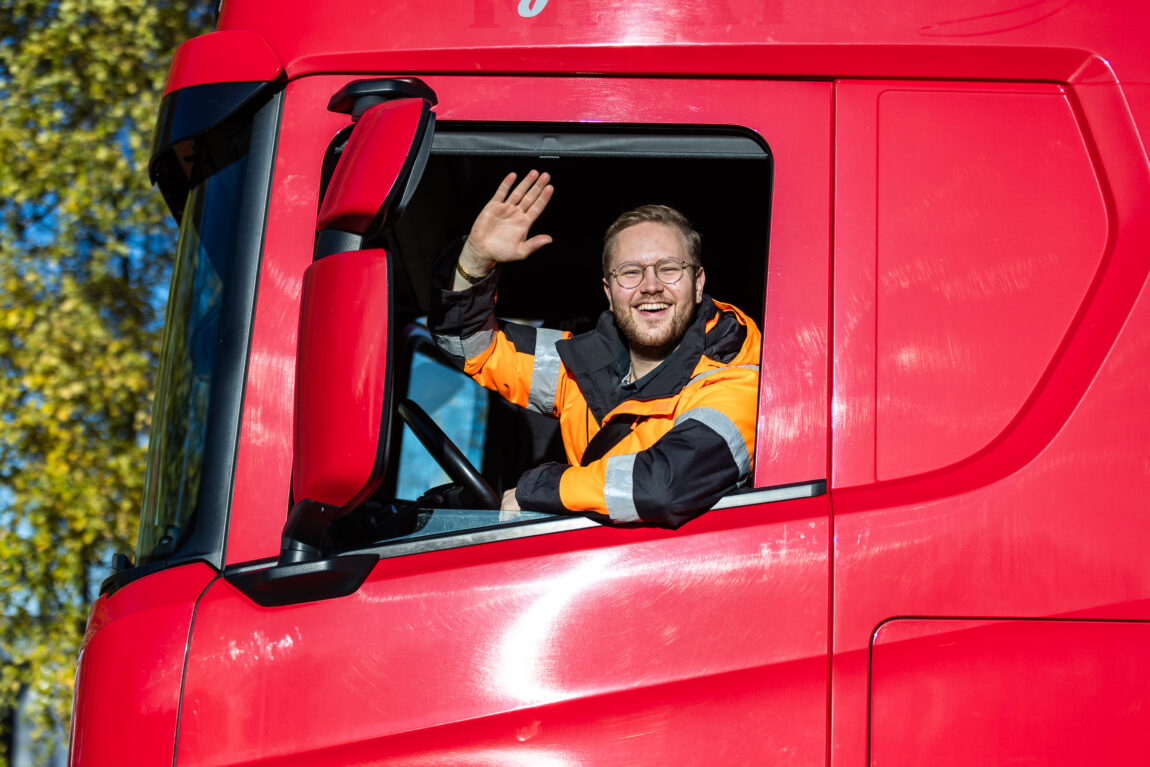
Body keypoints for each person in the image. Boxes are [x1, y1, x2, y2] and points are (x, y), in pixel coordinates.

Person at [429, 170, 761, 527]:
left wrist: (541, 487)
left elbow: (664, 487)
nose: (650, 286)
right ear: (609, 293)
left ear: (697, 284)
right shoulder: (581, 365)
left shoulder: (736, 375)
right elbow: (472, 348)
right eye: (630, 272)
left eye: (669, 268)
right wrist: (476, 261)